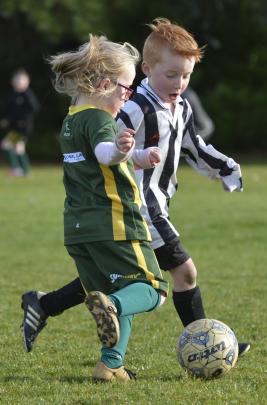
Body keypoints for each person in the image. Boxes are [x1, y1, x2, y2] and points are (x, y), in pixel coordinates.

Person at [21, 19, 249, 359]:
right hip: (138, 207)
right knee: (182, 274)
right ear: (147, 69)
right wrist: (118, 150)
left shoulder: (181, 107)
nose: (179, 83)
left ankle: (46, 304)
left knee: (110, 279)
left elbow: (194, 146)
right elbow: (106, 136)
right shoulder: (133, 105)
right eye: (171, 75)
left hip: (151, 206)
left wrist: (226, 169)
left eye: (185, 76)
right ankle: (207, 346)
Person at [21, 34, 169, 382]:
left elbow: (99, 157)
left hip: (78, 229)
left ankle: (111, 364)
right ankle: (113, 309)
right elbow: (105, 153)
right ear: (105, 84)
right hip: (115, 223)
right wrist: (119, 149)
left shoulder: (73, 119)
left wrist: (137, 157)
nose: (128, 95)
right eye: (126, 88)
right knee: (152, 290)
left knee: (120, 287)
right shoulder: (101, 119)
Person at [0, 68, 40, 176]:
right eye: (17, 80)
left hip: (24, 128)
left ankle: (16, 169)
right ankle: (25, 171)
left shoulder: (27, 94)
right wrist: (6, 120)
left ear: (27, 81)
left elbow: (35, 108)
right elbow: (9, 111)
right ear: (12, 82)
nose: (19, 82)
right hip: (15, 127)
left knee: (6, 144)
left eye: (22, 80)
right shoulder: (12, 95)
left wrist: (23, 119)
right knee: (18, 148)